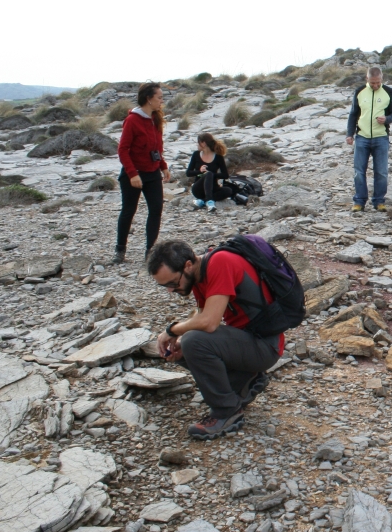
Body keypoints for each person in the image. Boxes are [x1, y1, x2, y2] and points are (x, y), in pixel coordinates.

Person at [148, 239, 282, 439]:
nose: (170, 290)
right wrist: (180, 345)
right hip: (249, 342)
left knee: (193, 341)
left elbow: (209, 322)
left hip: (266, 346)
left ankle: (226, 411)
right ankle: (244, 381)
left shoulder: (220, 262)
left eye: (172, 283)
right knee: (187, 345)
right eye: (164, 286)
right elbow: (203, 321)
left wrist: (172, 330)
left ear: (188, 265)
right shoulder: (197, 276)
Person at [114, 82, 170, 264]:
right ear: (149, 98)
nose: (162, 101)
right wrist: (132, 174)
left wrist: (163, 165)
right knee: (129, 210)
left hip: (152, 172)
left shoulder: (155, 119)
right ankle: (120, 251)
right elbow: (123, 150)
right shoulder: (132, 120)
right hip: (134, 173)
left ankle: (150, 252)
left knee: (156, 209)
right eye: (159, 97)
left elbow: (157, 147)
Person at [346, 66, 392, 212]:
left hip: (381, 137)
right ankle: (359, 201)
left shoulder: (389, 92)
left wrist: (387, 119)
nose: (375, 85)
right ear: (367, 79)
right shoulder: (359, 92)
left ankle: (379, 201)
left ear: (382, 79)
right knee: (359, 171)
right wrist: (349, 134)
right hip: (362, 137)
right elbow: (353, 114)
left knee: (381, 172)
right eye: (372, 83)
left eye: (378, 82)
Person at [187, 133, 233, 211]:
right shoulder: (196, 155)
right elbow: (188, 173)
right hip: (198, 188)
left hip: (213, 187)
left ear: (203, 143)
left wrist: (212, 175)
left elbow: (225, 175)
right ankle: (210, 201)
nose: (197, 145)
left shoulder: (218, 157)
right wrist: (200, 171)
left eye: (198, 142)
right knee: (208, 174)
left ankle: (203, 201)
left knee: (228, 190)